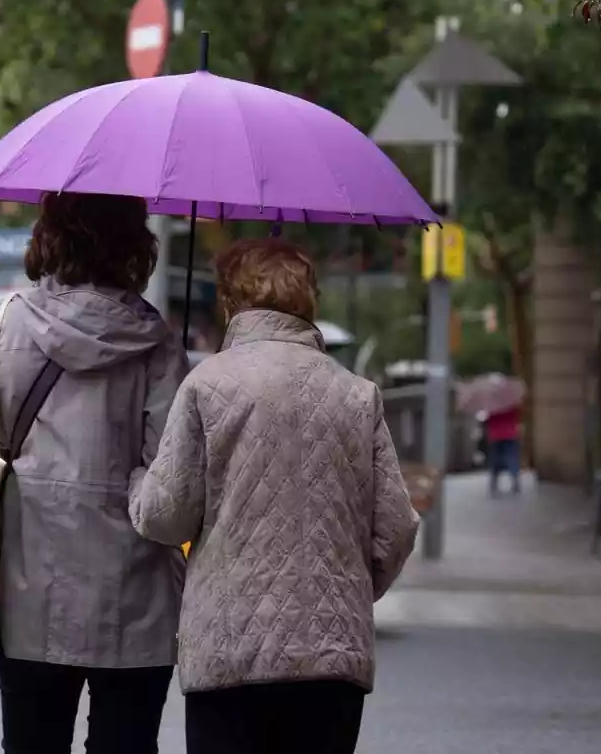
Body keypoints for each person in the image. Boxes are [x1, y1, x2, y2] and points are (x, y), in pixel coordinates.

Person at [129, 238, 420, 754]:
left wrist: (137, 483)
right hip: (332, 659)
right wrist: (349, 587)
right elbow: (397, 525)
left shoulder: (205, 386)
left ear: (231, 304)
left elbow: (166, 517)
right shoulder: (358, 395)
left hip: (228, 652)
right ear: (308, 303)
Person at [0, 192, 187, 754]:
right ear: (135, 243)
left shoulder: (4, 325)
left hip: (28, 583)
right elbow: (170, 477)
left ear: (50, 236)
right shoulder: (156, 345)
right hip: (135, 597)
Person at [485, 404, 522, 495]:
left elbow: (488, 420)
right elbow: (516, 417)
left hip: (495, 436)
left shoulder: (491, 406)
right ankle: (515, 482)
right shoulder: (511, 405)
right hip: (510, 434)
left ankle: (494, 484)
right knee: (512, 458)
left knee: (495, 460)